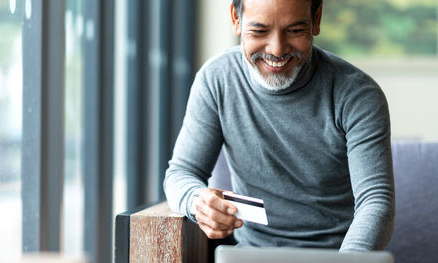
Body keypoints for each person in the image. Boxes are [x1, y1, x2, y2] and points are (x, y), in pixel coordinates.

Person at [163, 0, 394, 251]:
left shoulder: (357, 94)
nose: (276, 49)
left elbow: (376, 201)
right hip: (251, 255)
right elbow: (181, 174)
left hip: (336, 256)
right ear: (236, 19)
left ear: (316, 20)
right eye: (260, 31)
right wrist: (197, 203)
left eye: (295, 31)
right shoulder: (217, 79)